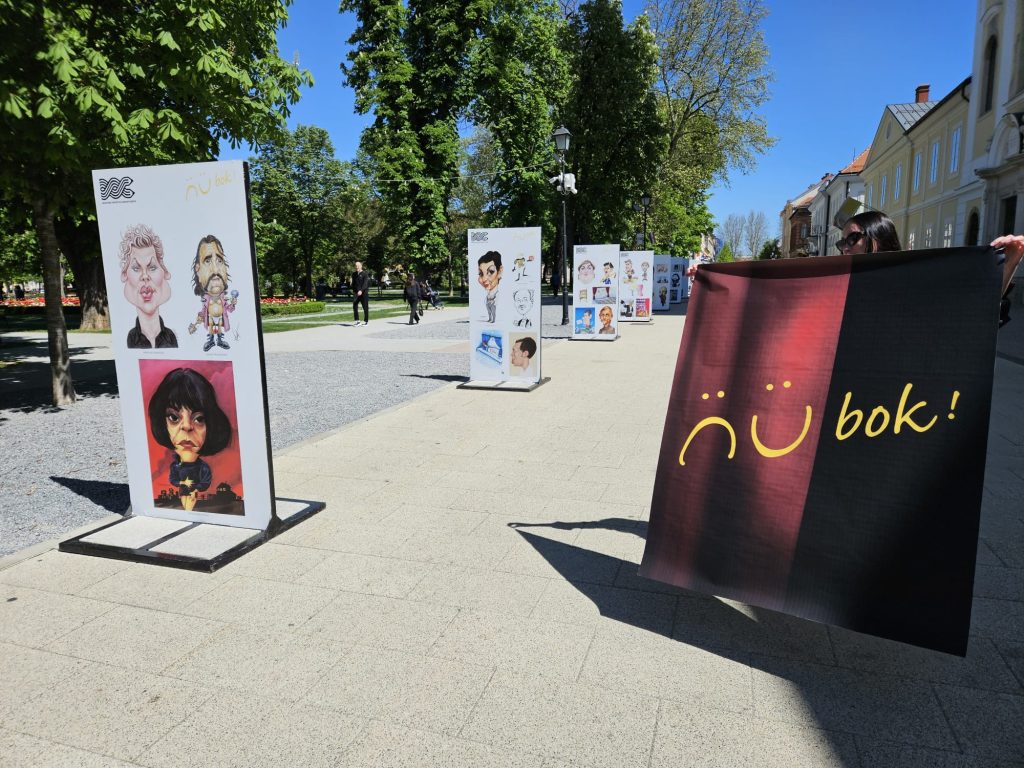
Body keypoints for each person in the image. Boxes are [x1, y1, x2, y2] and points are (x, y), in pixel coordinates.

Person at [148, 367, 232, 512]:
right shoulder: (175, 467)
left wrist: (195, 487)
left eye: (199, 419)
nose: (187, 426)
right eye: (174, 417)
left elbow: (205, 481)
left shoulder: (202, 468)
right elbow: (173, 479)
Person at [119, 223, 178, 349]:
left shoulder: (171, 337)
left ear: (164, 271)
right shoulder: (129, 338)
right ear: (125, 274)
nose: (145, 276)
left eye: (152, 267)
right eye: (136, 268)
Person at [187, 235, 237, 351]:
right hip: (210, 319)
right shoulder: (205, 299)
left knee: (218, 329)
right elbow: (204, 310)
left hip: (219, 318)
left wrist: (233, 304)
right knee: (211, 329)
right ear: (198, 270)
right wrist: (199, 317)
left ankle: (219, 340)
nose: (215, 270)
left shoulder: (224, 298)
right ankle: (210, 341)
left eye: (219, 261)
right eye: (207, 261)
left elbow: (228, 309)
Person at [478, 251, 503, 323]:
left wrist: (494, 301)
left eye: (491, 272)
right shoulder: (488, 292)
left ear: (500, 271)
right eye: (481, 273)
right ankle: (490, 319)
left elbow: (496, 297)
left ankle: (493, 320)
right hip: (488, 303)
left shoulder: (499, 293)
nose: (484, 279)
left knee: (493, 311)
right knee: (489, 311)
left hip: (492, 303)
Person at [351, 261, 370, 325]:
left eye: (358, 266)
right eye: (356, 266)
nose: (357, 267)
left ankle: (366, 321)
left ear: (361, 266)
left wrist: (361, 290)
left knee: (365, 307)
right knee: (355, 306)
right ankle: (357, 320)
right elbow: (353, 283)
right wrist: (354, 290)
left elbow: (365, 284)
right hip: (356, 293)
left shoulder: (365, 274)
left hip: (364, 293)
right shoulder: (354, 274)